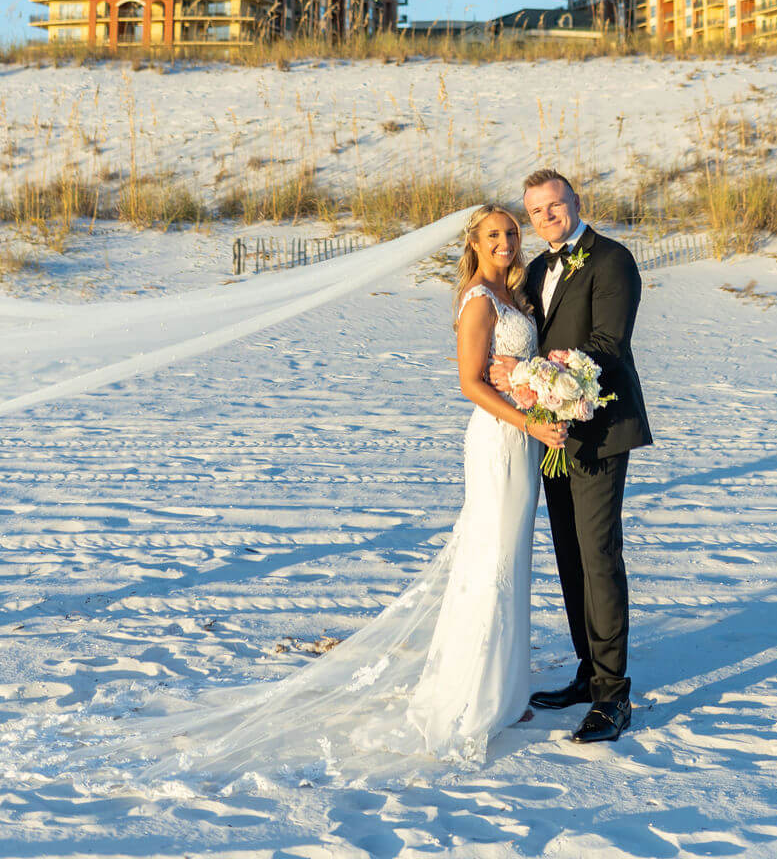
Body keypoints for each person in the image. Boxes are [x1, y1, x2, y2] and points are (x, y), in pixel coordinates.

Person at [54, 205, 565, 786]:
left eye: (510, 232)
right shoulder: (479, 300)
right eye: (493, 234)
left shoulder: (516, 294)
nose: (505, 241)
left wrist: (538, 386)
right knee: (489, 560)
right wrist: (529, 421)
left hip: (523, 438)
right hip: (501, 440)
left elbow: (514, 366)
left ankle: (507, 689)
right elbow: (468, 382)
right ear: (473, 243)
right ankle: (476, 697)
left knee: (512, 558)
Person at [490, 168, 651, 745]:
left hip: (601, 426)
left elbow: (607, 347)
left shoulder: (612, 260)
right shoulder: (536, 268)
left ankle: (613, 695)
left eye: (554, 205)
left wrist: (534, 376)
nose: (546, 217)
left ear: (576, 202)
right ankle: (587, 673)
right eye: (535, 211)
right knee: (568, 555)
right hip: (551, 430)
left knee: (600, 556)